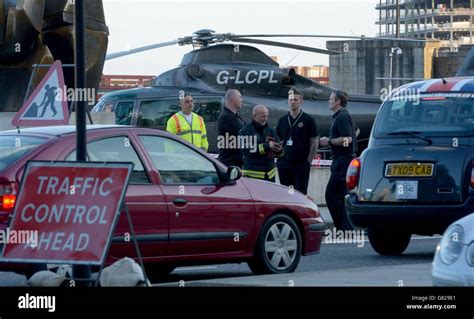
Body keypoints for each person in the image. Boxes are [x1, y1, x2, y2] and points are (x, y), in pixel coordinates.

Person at [320, 89, 360, 231]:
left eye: (331, 99)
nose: (329, 102)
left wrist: (329, 141)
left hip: (343, 162)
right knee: (340, 196)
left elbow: (347, 140)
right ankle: (344, 228)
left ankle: (344, 228)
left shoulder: (342, 116)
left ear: (338, 101)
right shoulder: (340, 116)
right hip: (341, 161)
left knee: (332, 195)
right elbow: (356, 131)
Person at [276, 88, 319, 195]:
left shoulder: (308, 120)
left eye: (295, 99)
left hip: (301, 165)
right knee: (288, 194)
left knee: (300, 194)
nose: (293, 102)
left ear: (301, 101)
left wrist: (308, 161)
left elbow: (314, 141)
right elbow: (280, 141)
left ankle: (299, 212)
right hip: (285, 165)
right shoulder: (282, 120)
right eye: (291, 99)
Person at [239, 105, 283, 182]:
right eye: (262, 116)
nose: (265, 119)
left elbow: (279, 153)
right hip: (252, 176)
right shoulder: (246, 131)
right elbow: (248, 151)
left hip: (270, 176)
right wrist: (267, 146)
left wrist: (279, 150)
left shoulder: (270, 130)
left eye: (267, 116)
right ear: (254, 116)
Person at [217, 89, 246, 167]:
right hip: (229, 163)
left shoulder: (236, 117)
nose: (242, 100)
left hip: (236, 161)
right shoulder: (226, 117)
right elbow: (245, 133)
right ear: (233, 99)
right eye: (240, 97)